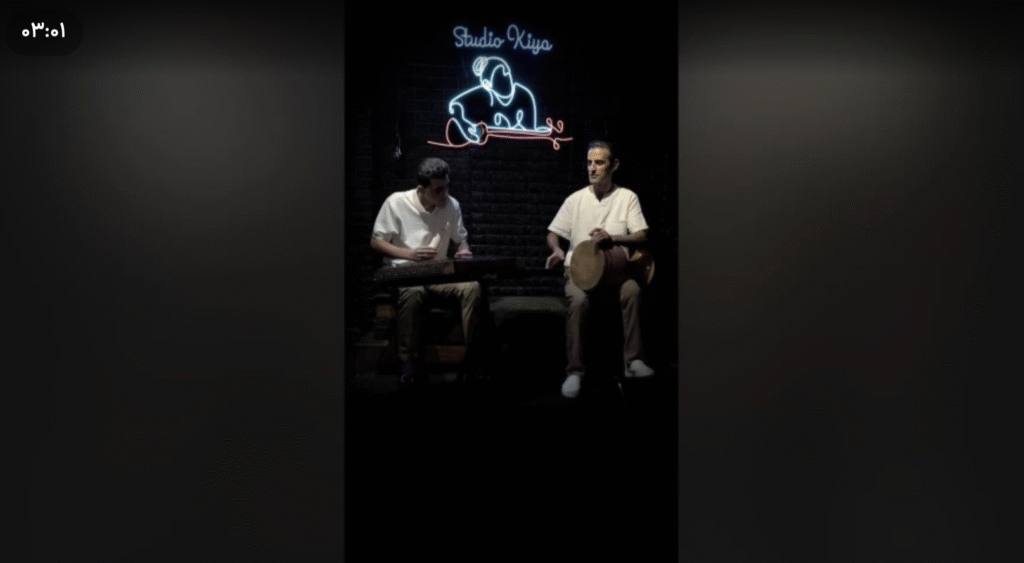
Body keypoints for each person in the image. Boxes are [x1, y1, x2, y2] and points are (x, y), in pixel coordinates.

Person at [545, 141, 655, 398]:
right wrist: (557, 250)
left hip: (615, 274)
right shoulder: (575, 199)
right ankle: (575, 372)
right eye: (589, 163)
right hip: (579, 273)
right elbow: (553, 233)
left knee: (632, 291)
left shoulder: (627, 197)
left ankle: (633, 361)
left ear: (614, 165)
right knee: (578, 301)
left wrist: (612, 238)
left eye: (599, 162)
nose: (592, 168)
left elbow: (641, 235)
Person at [371, 157, 481, 385]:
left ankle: (472, 356)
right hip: (407, 274)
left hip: (438, 273)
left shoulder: (451, 205)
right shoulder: (396, 202)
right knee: (413, 294)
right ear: (421, 189)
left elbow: (461, 239)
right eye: (438, 190)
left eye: (447, 187)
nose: (445, 194)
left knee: (473, 288)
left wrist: (464, 250)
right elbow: (376, 242)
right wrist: (409, 254)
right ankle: (407, 362)